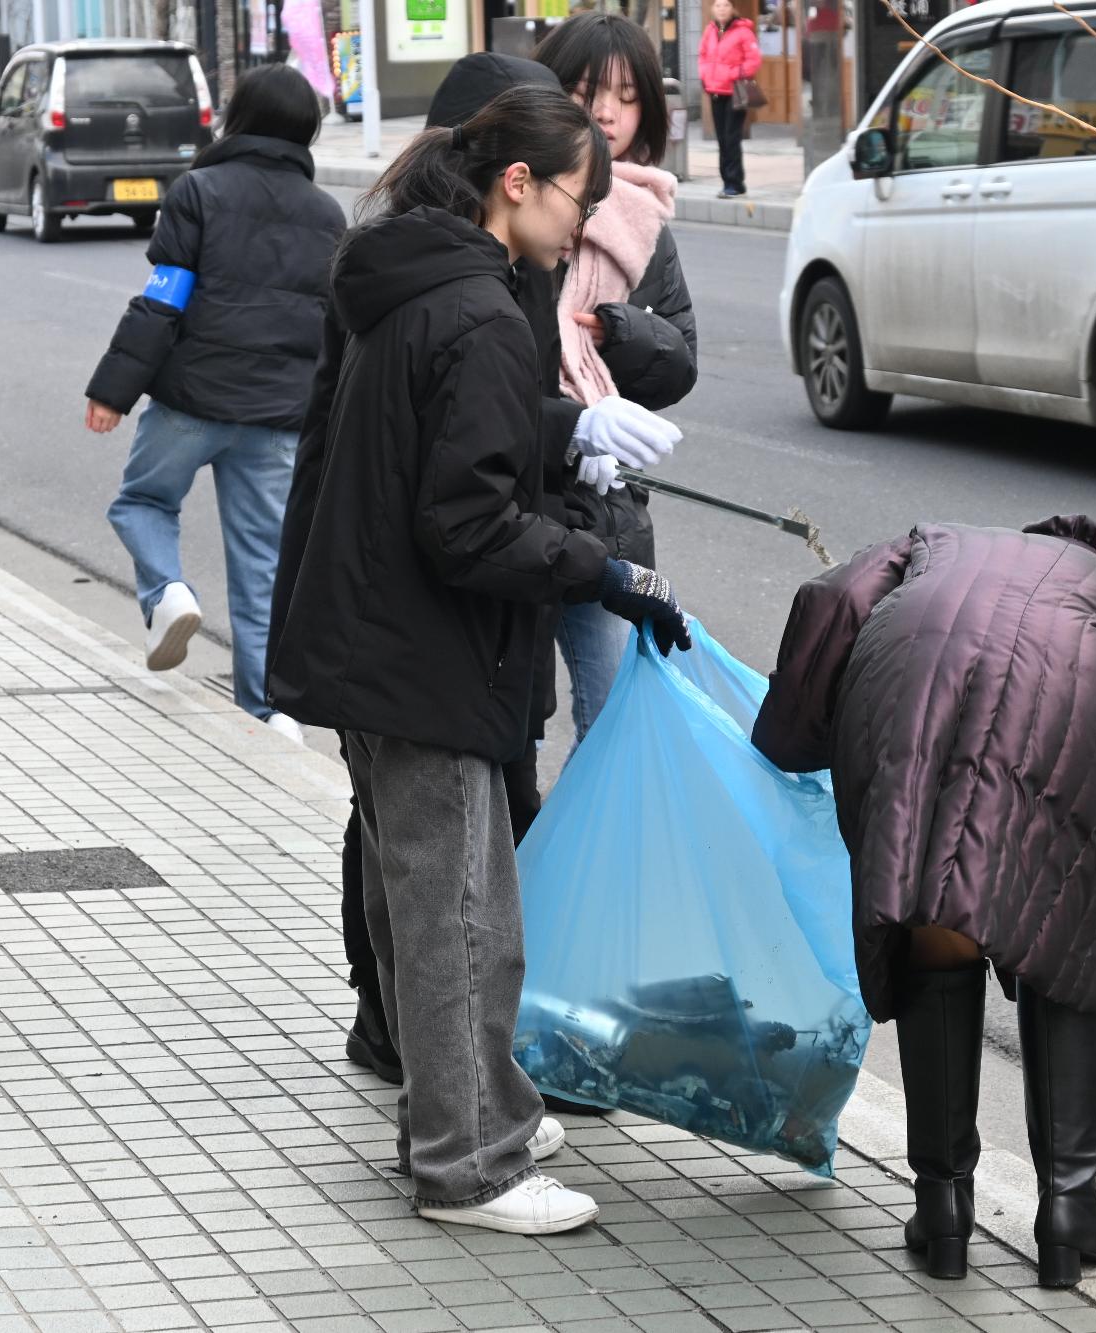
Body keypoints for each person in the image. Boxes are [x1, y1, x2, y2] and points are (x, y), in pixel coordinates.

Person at [270, 86, 692, 1235]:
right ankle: (468, 1164)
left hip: (372, 632)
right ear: (518, 185)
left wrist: (564, 436)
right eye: (574, 200)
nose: (579, 228)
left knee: (428, 901)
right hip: (422, 647)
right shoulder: (479, 314)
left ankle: (464, 1112)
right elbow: (462, 522)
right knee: (462, 912)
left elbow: (439, 442)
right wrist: (597, 568)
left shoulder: (409, 279)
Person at [751, 516, 1096, 1288]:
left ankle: (942, 1205)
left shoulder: (939, 545)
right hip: (1077, 695)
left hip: (906, 673)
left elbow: (837, 598)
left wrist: (787, 736)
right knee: (1061, 923)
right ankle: (1070, 1208)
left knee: (931, 912)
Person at [85, 64, 344, 738]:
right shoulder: (326, 213)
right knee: (265, 565)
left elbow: (164, 299)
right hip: (279, 416)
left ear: (239, 118)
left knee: (142, 501)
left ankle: (167, 592)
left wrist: (113, 391)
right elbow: (333, 326)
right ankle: (270, 712)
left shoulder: (199, 190)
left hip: (191, 400)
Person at [536, 12, 699, 741]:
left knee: (610, 723)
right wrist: (572, 427)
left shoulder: (645, 220)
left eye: (626, 96)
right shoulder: (525, 195)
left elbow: (679, 360)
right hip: (520, 501)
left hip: (606, 515)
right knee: (512, 726)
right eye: (586, 90)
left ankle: (554, 857)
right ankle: (523, 856)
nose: (605, 111)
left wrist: (618, 326)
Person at [699, 0, 762, 198]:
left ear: (732, 8)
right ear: (712, 9)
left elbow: (754, 60)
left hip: (735, 91)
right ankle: (728, 181)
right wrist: (705, 74)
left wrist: (733, 73)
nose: (722, 9)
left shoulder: (743, 31)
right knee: (721, 139)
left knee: (731, 137)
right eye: (718, 6)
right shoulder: (710, 31)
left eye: (726, 5)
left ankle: (735, 182)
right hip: (715, 90)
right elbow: (702, 56)